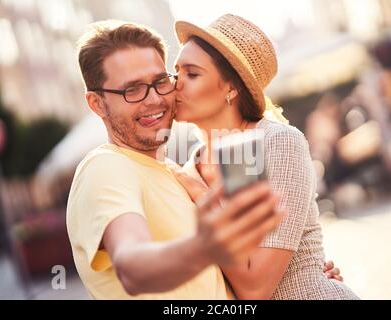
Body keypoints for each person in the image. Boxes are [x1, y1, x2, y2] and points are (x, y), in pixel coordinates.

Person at [66, 20, 282, 299]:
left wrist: (298, 271)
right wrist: (202, 247)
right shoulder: (106, 168)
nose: (154, 99)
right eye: (132, 90)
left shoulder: (180, 172)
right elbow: (132, 265)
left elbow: (244, 279)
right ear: (97, 103)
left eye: (160, 82)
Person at [172, 14, 359, 299]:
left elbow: (256, 288)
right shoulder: (188, 169)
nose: (176, 85)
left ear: (231, 88)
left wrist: (201, 195)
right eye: (176, 73)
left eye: (192, 74)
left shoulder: (276, 142)